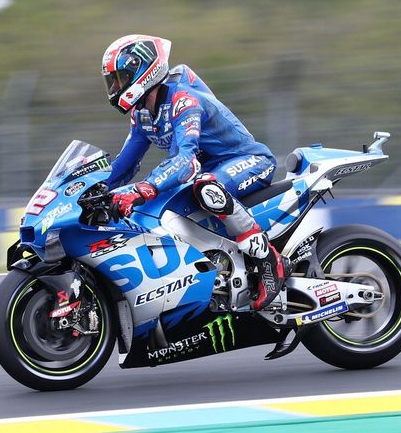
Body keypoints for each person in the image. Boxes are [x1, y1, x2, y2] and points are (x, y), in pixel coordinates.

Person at [101, 34, 288, 310]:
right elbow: (124, 165)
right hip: (209, 172)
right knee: (171, 200)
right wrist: (94, 190)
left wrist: (144, 188)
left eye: (120, 78)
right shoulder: (142, 114)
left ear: (143, 71)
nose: (115, 87)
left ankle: (268, 259)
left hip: (250, 160)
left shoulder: (183, 100)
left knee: (205, 187)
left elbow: (185, 161)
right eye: (112, 81)